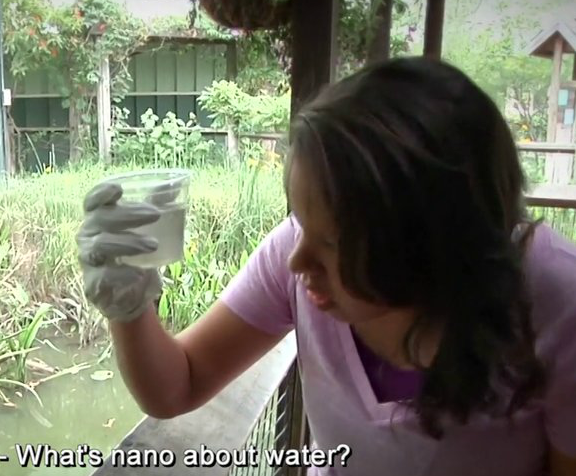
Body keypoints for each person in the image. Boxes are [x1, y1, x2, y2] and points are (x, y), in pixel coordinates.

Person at [76, 56, 576, 475]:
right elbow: (176, 386)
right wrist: (130, 308)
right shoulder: (295, 256)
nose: (298, 261)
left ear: (428, 239)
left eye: (334, 241)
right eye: (300, 224)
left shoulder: (557, 303)